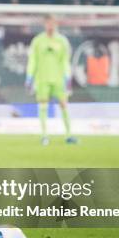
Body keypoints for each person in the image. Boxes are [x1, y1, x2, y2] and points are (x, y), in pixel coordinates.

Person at [25, 14, 76, 145]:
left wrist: (67, 77)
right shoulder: (38, 41)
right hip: (42, 79)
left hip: (59, 79)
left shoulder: (62, 41)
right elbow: (33, 60)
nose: (50, 26)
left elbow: (65, 61)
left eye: (52, 23)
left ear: (56, 24)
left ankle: (69, 135)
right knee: (43, 106)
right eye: (48, 23)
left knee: (64, 104)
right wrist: (29, 76)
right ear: (44, 24)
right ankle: (44, 135)